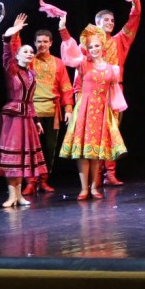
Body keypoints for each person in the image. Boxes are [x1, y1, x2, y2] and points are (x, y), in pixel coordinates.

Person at [57, 20, 127, 200]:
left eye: (97, 46)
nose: (94, 49)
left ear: (102, 47)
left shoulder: (113, 69)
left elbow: (115, 93)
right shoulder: (82, 63)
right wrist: (63, 29)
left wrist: (114, 113)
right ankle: (83, 188)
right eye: (90, 47)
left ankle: (94, 187)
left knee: (96, 151)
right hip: (85, 110)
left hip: (102, 111)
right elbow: (71, 53)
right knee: (83, 152)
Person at [0, 16, 50, 208]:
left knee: (21, 159)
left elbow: (30, 101)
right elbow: (7, 52)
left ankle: (19, 196)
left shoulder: (31, 74)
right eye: (25, 51)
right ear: (18, 55)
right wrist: (10, 36)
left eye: (31, 51)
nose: (30, 53)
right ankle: (11, 195)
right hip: (12, 118)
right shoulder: (12, 69)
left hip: (26, 119)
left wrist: (36, 120)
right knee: (11, 159)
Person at [87, 0, 141, 186]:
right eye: (106, 20)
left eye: (112, 20)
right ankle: (95, 173)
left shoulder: (119, 41)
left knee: (112, 130)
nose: (110, 22)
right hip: (94, 92)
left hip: (114, 91)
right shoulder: (89, 44)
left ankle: (109, 172)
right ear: (97, 23)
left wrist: (135, 3)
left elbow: (133, 23)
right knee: (95, 131)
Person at [25, 26, 73, 196]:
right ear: (34, 43)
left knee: (49, 148)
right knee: (32, 148)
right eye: (39, 41)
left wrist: (68, 108)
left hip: (52, 111)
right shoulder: (29, 61)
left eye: (45, 41)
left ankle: (43, 180)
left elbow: (66, 87)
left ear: (51, 43)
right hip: (33, 111)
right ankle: (30, 182)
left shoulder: (58, 63)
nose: (42, 44)